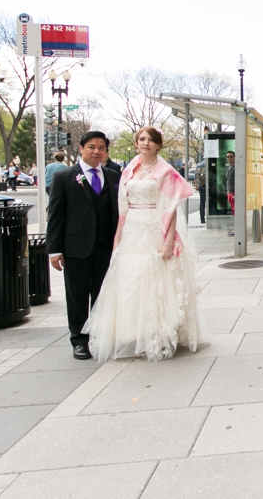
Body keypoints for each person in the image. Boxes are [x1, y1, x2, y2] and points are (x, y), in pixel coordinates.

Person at [83, 126, 209, 362]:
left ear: (158, 145)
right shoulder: (129, 169)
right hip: (132, 228)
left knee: (157, 281)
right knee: (132, 280)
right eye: (142, 139)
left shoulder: (166, 171)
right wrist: (117, 238)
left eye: (151, 140)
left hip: (155, 227)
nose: (146, 143)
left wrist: (169, 241)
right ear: (136, 143)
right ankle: (135, 331)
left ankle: (158, 333)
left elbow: (171, 208)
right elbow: (123, 206)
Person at [46, 132, 121, 360]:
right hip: (75, 246)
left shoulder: (113, 176)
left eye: (101, 147)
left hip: (105, 247)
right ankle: (78, 339)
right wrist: (54, 249)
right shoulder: (65, 177)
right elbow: (55, 215)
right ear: (81, 149)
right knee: (77, 295)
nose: (96, 151)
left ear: (106, 151)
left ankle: (98, 336)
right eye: (91, 147)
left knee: (101, 294)